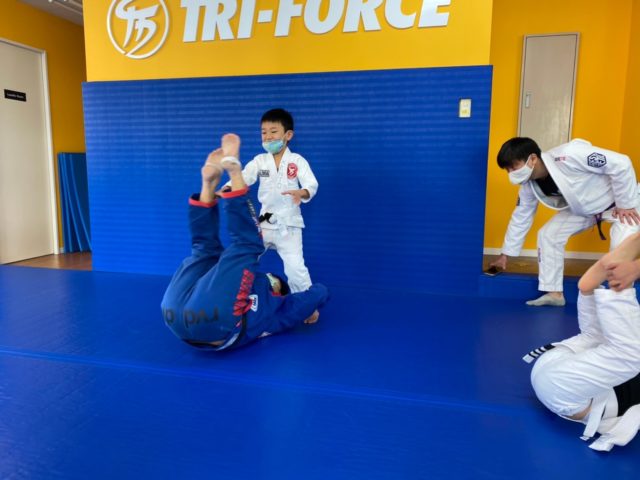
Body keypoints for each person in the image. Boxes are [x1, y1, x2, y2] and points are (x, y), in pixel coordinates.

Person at [161, 133, 329, 351]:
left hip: (214, 320)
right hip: (174, 314)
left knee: (248, 245)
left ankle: (234, 172)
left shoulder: (277, 310)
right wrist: (317, 298)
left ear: (279, 293)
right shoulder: (257, 303)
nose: (270, 277)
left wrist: (318, 297)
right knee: (204, 251)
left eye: (276, 282)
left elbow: (306, 300)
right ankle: (208, 186)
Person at [489, 137, 640, 306]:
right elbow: (521, 217)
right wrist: (505, 254)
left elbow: (621, 163)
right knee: (549, 235)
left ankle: (619, 300)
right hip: (585, 209)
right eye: (507, 170)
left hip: (622, 206)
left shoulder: (569, 154)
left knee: (621, 249)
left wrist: (626, 204)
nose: (511, 173)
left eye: (513, 167)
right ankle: (554, 293)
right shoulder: (528, 185)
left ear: (533, 159)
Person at [525, 232, 640, 451]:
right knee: (612, 346)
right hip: (561, 377)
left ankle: (596, 290)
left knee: (613, 346)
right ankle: (596, 290)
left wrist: (634, 269)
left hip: (560, 375)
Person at [221, 108, 318, 293]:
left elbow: (312, 184)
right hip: (264, 223)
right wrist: (228, 186)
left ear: (288, 135)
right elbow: (245, 176)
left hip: (289, 225)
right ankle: (232, 295)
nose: (268, 137)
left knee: (295, 269)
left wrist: (302, 192)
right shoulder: (260, 161)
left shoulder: (297, 161)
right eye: (264, 132)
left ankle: (306, 302)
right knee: (246, 257)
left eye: (273, 131)